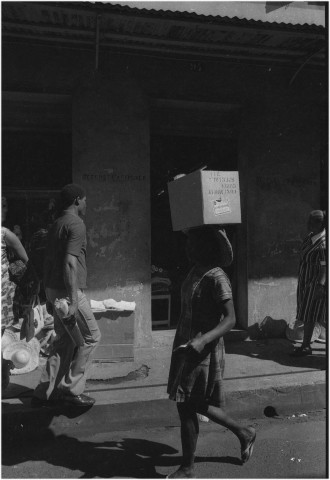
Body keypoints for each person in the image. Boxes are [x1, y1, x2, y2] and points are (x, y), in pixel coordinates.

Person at [167, 226, 256, 479]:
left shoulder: (217, 277)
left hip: (203, 349)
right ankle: (244, 432)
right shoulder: (195, 271)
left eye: (193, 242)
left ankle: (187, 468)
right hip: (186, 345)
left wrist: (203, 339)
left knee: (188, 405)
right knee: (192, 403)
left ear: (206, 246)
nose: (187, 247)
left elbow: (230, 319)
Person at [31, 184, 101, 407]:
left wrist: (50, 298)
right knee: (91, 338)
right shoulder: (76, 224)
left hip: (54, 290)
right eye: (85, 199)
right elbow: (70, 263)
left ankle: (44, 392)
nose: (86, 203)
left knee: (65, 342)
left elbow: (48, 261)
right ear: (78, 200)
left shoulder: (56, 224)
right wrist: (72, 300)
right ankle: (71, 390)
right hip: (67, 292)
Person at [1, 196, 29, 389]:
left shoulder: (5, 234)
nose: (2, 210)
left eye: (4, 206)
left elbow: (26, 259)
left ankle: (2, 377)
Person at [291, 210, 326, 357]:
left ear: (320, 224)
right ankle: (305, 346)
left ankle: (306, 346)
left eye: (311, 222)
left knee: (319, 316)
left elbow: (326, 266)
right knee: (309, 315)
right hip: (306, 282)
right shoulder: (310, 237)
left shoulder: (323, 242)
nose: (307, 224)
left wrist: (320, 285)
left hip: (316, 283)